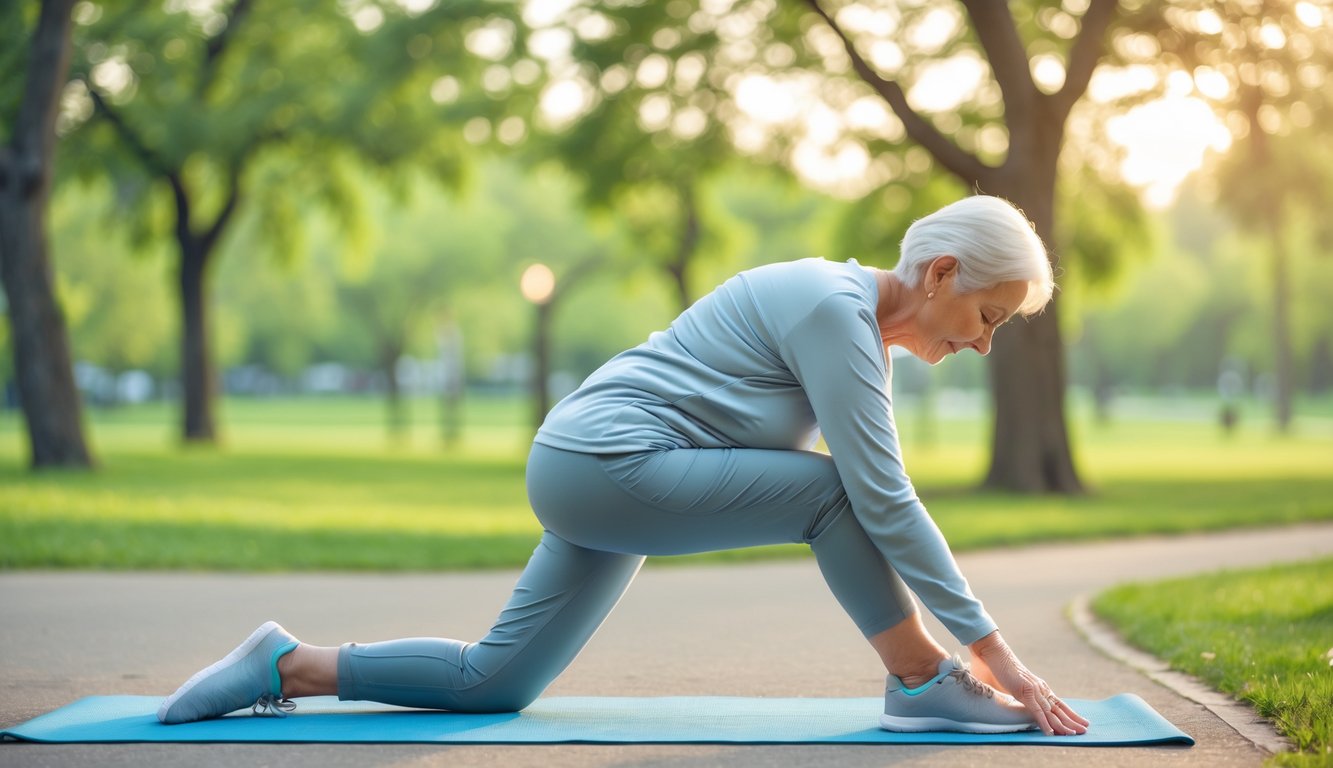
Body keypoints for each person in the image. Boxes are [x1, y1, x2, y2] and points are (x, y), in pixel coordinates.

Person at [158, 195, 1090, 737]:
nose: (982, 345)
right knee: (833, 496)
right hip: (609, 462)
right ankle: (924, 680)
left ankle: (285, 664)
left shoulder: (857, 335)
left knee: (498, 684)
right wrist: (991, 651)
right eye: (989, 318)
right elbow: (879, 498)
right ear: (938, 275)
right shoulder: (829, 308)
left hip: (609, 472)